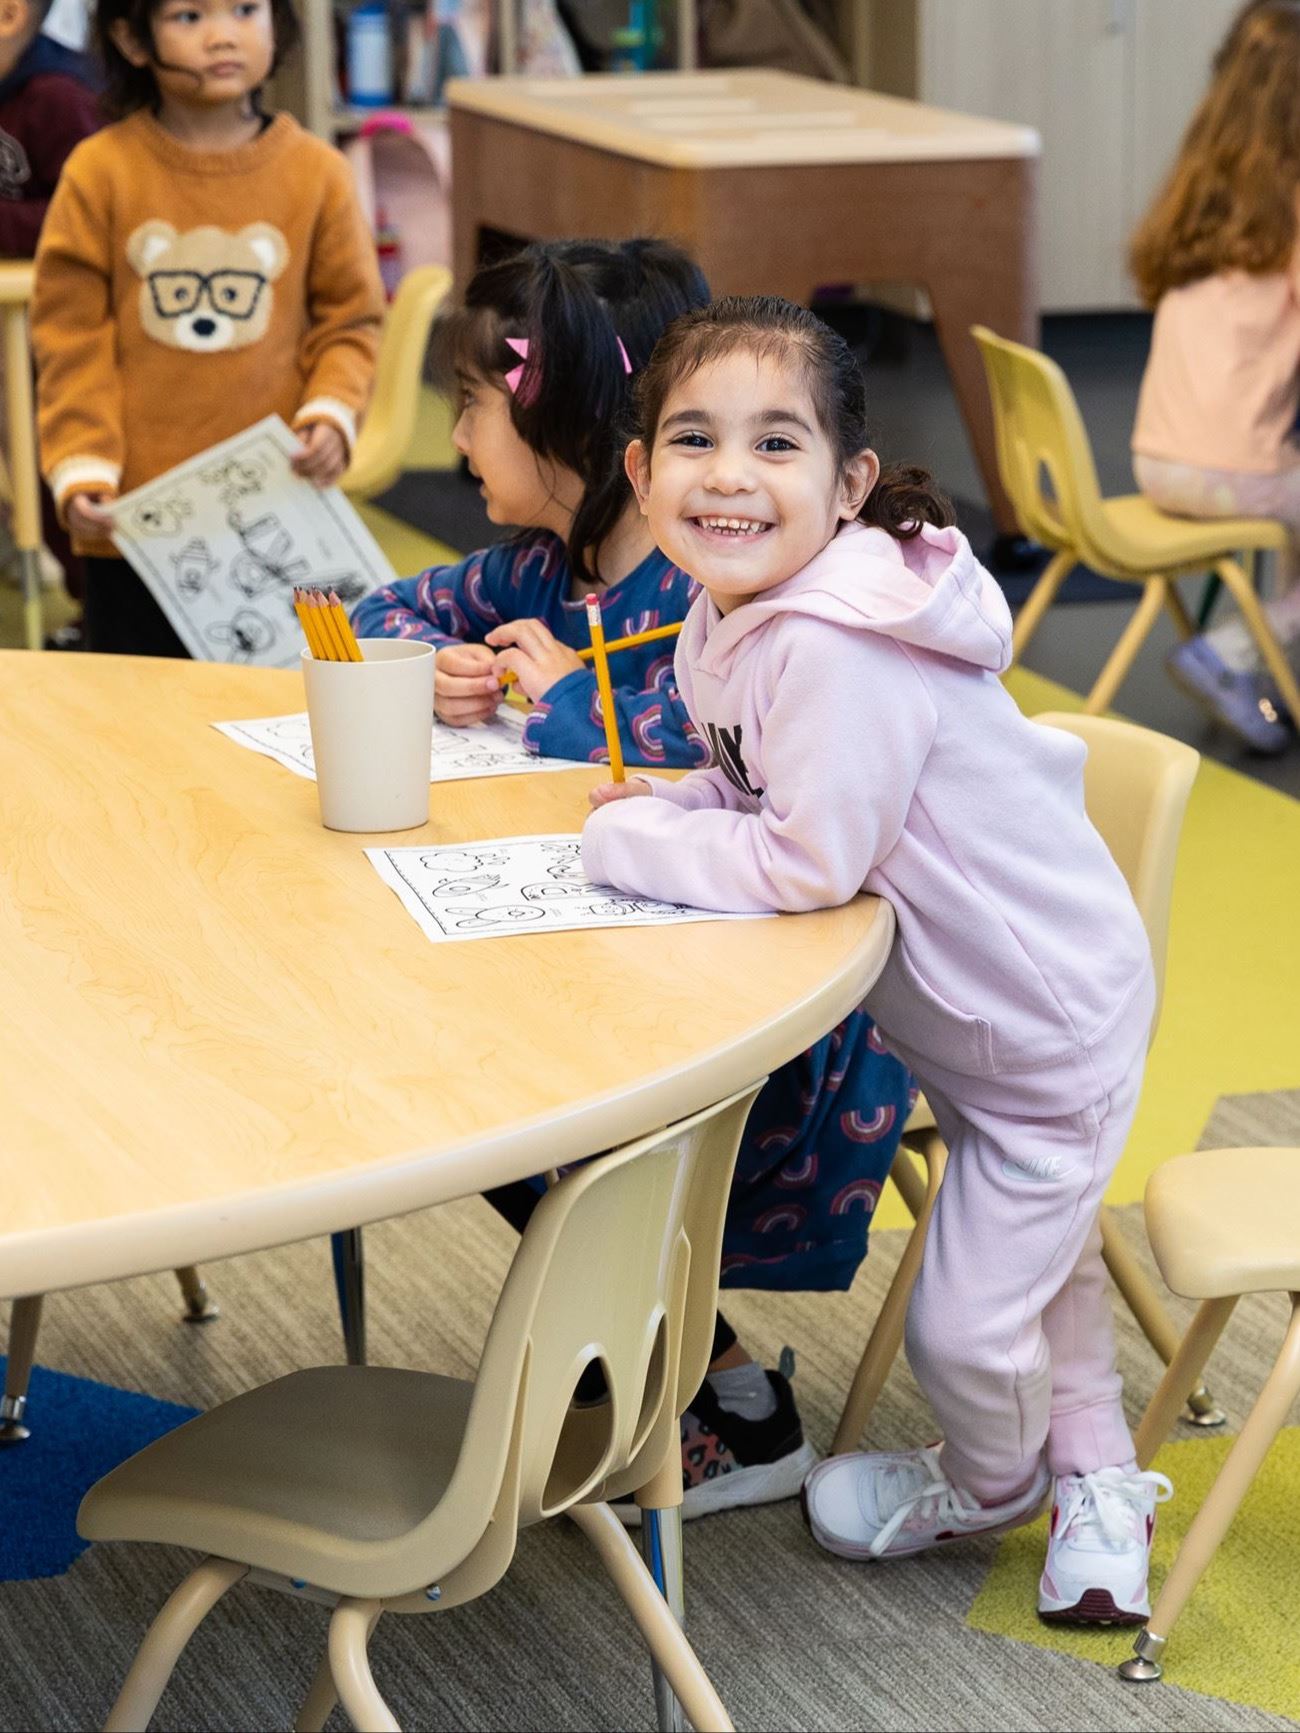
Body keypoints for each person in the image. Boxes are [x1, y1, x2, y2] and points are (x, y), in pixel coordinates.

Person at [583, 294, 1172, 1621]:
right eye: (692, 437)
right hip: (968, 1020)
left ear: (849, 484)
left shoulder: (836, 645)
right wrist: (670, 813)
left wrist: (627, 849)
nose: (728, 475)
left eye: (775, 443)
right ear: (641, 471)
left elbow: (805, 867)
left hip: (1043, 1029)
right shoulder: (726, 612)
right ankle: (1098, 1468)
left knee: (964, 1326)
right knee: (1042, 1258)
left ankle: (990, 1477)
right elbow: (754, 795)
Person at [353, 240, 915, 1519]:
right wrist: (438, 667)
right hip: (659, 949)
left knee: (521, 1100)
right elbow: (374, 606)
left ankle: (723, 1394)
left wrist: (565, 707)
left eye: (471, 401)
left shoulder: (715, 581)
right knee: (474, 1084)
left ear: (562, 420)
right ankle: (663, 1362)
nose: (455, 432)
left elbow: (706, 739)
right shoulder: (548, 569)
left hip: (804, 1015)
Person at [32, 0, 383, 656]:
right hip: (131, 519)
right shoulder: (99, 171)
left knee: (280, 717)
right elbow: (69, 337)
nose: (223, 35)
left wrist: (332, 413)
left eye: (246, 9)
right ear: (133, 39)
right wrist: (80, 463)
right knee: (139, 718)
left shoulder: (318, 173)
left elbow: (351, 320)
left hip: (279, 508)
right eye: (189, 17)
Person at [1130, 0, 1300, 753]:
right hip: (1236, 472)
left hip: (1154, 463)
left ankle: (1260, 656)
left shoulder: (1199, 196)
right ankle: (1233, 651)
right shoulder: (1290, 208)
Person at [0, 0, 100, 636]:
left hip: (61, 335)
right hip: (11, 328)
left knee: (54, 472)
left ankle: (97, 614)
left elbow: (83, 213)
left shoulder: (60, 97)